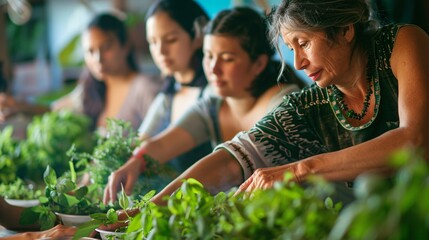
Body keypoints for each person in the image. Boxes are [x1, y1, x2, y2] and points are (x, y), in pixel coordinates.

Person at [128, 0, 428, 206]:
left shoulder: (401, 44)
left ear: (345, 30)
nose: (298, 62)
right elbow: (238, 154)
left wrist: (300, 169)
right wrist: (150, 210)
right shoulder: (309, 105)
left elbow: (414, 141)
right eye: (290, 48)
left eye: (304, 43)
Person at [103, 6, 305, 203]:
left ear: (259, 64)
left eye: (227, 59)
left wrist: (153, 206)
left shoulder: (284, 103)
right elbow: (163, 144)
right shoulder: (211, 105)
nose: (213, 69)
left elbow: (231, 162)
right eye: (209, 56)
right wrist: (135, 162)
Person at [0, 12, 162, 132]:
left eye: (106, 48)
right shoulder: (91, 90)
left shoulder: (145, 88)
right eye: (90, 51)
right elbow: (54, 110)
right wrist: (19, 106)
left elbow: (160, 142)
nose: (98, 59)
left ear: (125, 46)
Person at [135, 0, 214, 173]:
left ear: (198, 37)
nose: (160, 51)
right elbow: (139, 143)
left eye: (170, 40)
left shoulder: (213, 94)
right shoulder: (167, 97)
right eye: (153, 42)